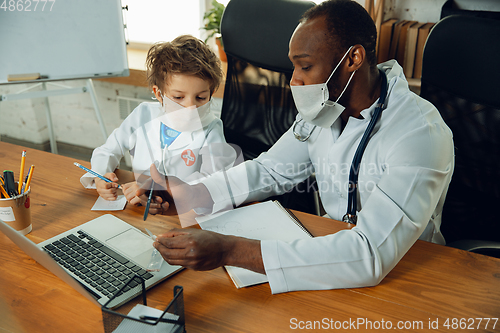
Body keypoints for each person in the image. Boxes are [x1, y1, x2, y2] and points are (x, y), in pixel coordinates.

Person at [139, 0, 454, 294]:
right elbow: (271, 168)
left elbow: (369, 253)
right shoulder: (328, 108)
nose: (294, 81)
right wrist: (196, 194)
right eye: (294, 67)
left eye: (305, 66)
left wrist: (230, 250)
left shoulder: (418, 134)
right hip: (331, 247)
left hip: (407, 272)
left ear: (352, 60)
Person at [80, 35, 237, 206]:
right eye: (178, 97)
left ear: (211, 93)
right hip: (138, 206)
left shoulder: (211, 129)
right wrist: (100, 176)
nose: (191, 107)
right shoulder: (143, 114)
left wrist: (158, 188)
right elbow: (108, 150)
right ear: (158, 94)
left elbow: (214, 182)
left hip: (181, 212)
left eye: (201, 97)